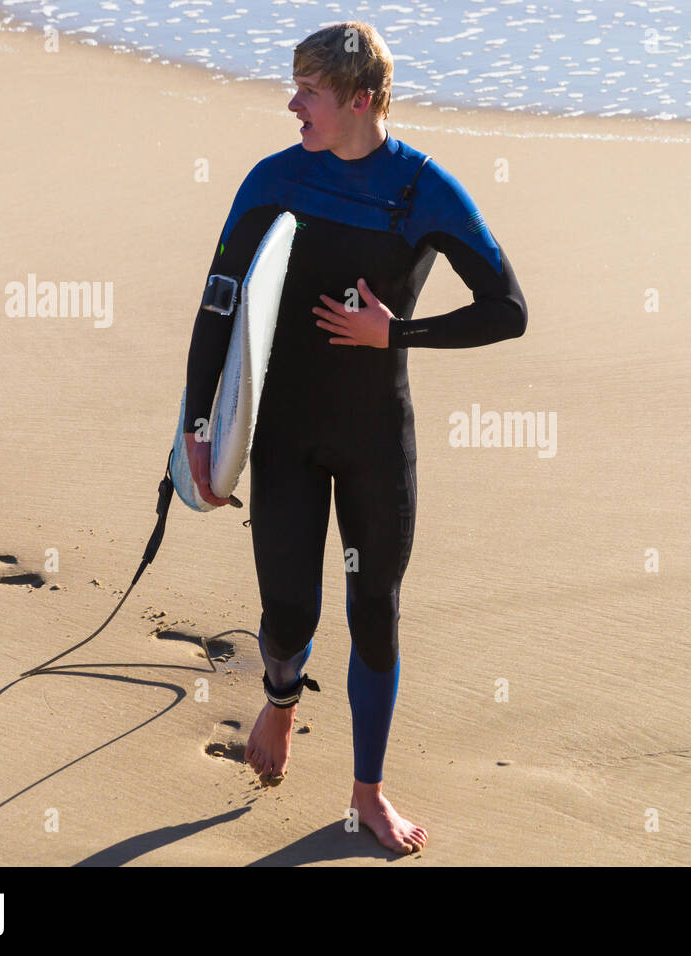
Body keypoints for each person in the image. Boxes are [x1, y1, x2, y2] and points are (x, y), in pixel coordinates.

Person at [181, 21, 527, 854]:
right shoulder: (275, 177)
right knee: (288, 616)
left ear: (361, 101)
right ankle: (282, 696)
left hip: (377, 440)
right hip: (286, 437)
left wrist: (394, 335)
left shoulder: (423, 190)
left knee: (374, 612)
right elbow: (219, 303)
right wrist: (199, 425)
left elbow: (507, 311)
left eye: (309, 91)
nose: (292, 102)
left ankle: (367, 794)